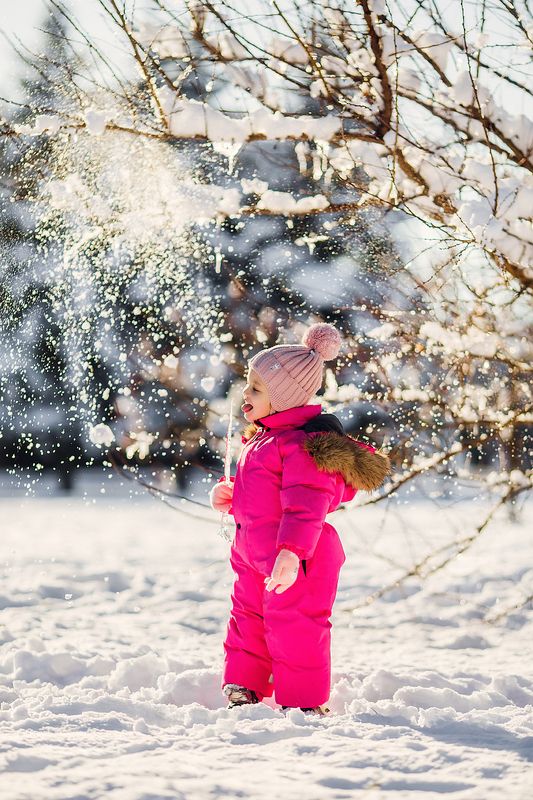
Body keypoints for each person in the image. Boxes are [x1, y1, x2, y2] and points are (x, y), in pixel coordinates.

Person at [209, 323, 391, 715]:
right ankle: (245, 684)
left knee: (297, 628)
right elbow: (264, 496)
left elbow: (305, 505)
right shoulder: (261, 439)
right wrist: (231, 497)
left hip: (299, 559)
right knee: (248, 620)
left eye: (257, 388)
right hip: (254, 554)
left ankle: (303, 703)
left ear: (284, 398)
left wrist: (291, 553)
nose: (246, 393)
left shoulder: (301, 447)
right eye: (248, 384)